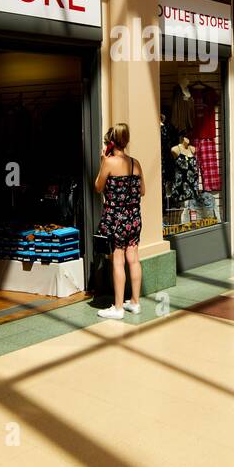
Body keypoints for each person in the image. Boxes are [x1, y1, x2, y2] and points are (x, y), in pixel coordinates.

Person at [95, 123, 144, 320]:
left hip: (116, 218)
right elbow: (142, 191)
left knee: (118, 260)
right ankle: (134, 302)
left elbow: (98, 187)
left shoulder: (109, 162)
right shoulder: (135, 163)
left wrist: (102, 161)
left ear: (111, 143)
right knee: (133, 258)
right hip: (134, 217)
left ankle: (117, 307)